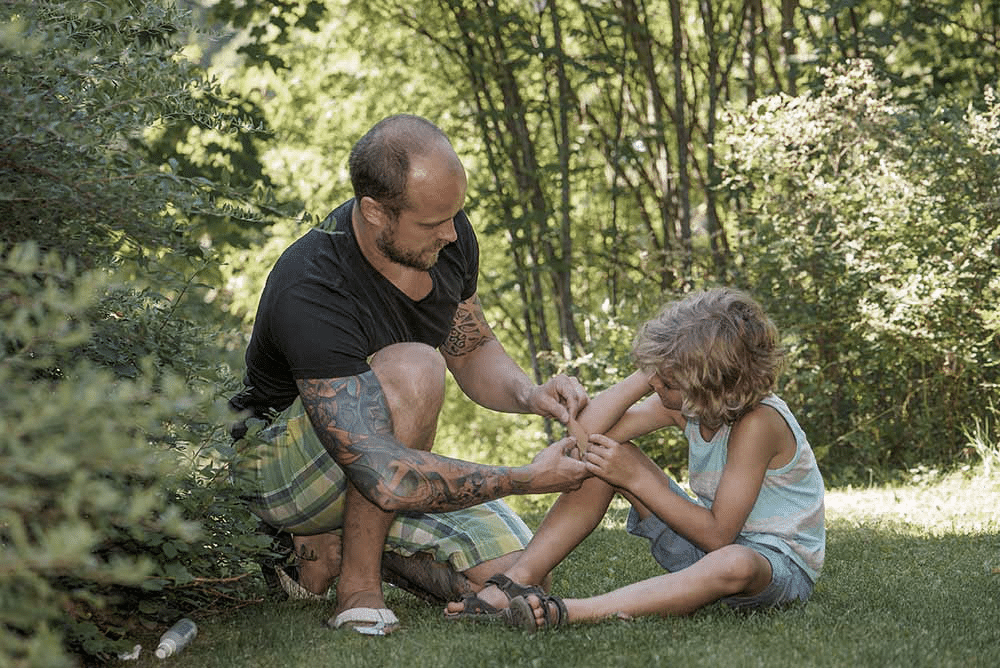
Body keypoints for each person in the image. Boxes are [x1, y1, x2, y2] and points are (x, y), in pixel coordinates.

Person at [229, 114, 590, 635]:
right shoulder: (311, 284)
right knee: (417, 367)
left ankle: (317, 553)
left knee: (517, 578)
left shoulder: (446, 231)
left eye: (455, 216)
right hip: (276, 465)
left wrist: (531, 395)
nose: (451, 234)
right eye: (431, 223)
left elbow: (471, 347)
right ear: (374, 211)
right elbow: (381, 472)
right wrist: (527, 479)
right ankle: (356, 589)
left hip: (372, 469)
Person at [445, 287, 825, 630]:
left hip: (770, 566)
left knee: (735, 561)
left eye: (667, 381)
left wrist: (636, 478)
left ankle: (570, 611)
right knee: (605, 454)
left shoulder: (758, 422)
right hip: (699, 548)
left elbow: (719, 535)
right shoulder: (682, 402)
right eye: (654, 376)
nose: (657, 387)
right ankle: (520, 578)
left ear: (710, 388)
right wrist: (650, 371)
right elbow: (586, 434)